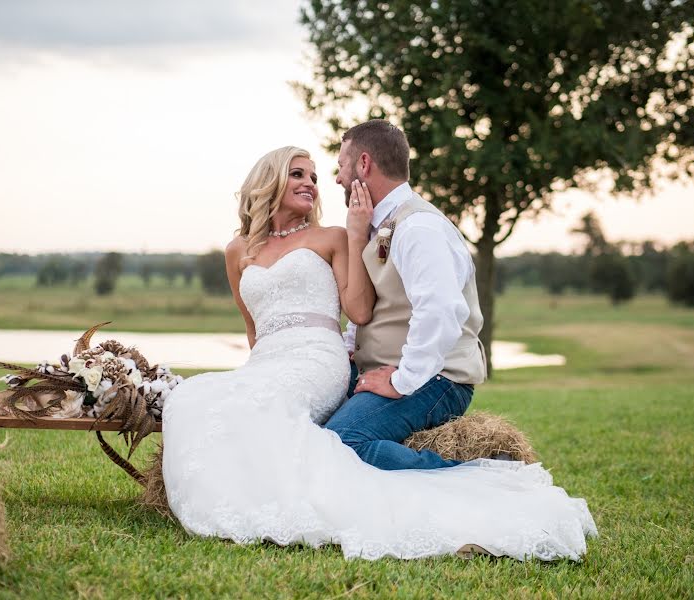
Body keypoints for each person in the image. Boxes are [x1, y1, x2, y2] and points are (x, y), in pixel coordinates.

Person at [161, 145, 596, 561]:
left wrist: (353, 233)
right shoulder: (237, 250)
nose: (315, 182)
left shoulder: (336, 236)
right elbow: (253, 329)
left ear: (363, 164)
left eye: (316, 174)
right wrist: (254, 375)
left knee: (332, 435)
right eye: (299, 174)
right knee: (197, 398)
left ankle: (469, 471)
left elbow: (361, 310)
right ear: (268, 180)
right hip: (272, 361)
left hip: (321, 358)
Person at [325, 119, 486, 470]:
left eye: (340, 165)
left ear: (364, 164)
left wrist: (402, 381)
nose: (337, 177)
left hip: (437, 378)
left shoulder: (418, 227)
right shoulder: (379, 223)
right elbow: (383, 300)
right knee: (303, 427)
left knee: (342, 442)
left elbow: (441, 309)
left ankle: (468, 476)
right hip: (394, 368)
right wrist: (351, 349)